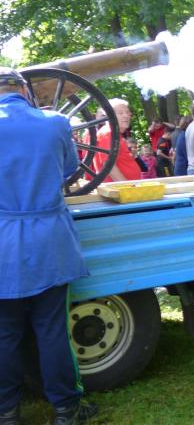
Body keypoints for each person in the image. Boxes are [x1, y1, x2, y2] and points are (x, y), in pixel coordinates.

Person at [0, 68, 98, 425]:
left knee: (4, 334)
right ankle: (66, 410)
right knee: (53, 330)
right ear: (25, 91)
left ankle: (7, 413)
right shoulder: (55, 122)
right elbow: (69, 169)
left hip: (2, 241)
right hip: (49, 240)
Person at [93, 98, 142, 182]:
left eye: (127, 112)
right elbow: (109, 166)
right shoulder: (108, 133)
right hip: (118, 188)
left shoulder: (115, 133)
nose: (126, 116)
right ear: (110, 115)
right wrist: (126, 186)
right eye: (120, 113)